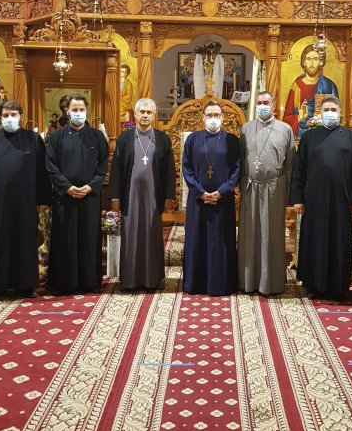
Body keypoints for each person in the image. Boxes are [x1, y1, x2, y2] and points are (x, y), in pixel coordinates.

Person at [0, 100, 51, 300]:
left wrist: (43, 199)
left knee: (24, 241)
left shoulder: (33, 139)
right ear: (0, 117)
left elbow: (42, 172)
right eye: (5, 115)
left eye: (13, 115)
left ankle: (26, 286)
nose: (9, 119)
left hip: (25, 201)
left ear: (21, 117)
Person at [291, 96, 352, 299]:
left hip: (342, 199)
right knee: (315, 239)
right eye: (326, 110)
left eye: (333, 110)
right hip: (315, 199)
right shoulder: (309, 137)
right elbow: (299, 169)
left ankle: (339, 286)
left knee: (340, 240)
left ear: (340, 113)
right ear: (320, 113)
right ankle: (314, 284)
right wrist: (297, 198)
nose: (330, 113)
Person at [109, 98, 176, 290]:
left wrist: (169, 196)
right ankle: (130, 280)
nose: (145, 115)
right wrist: (115, 197)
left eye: (149, 112)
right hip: (130, 195)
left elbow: (170, 171)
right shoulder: (124, 139)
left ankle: (152, 279)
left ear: (154, 115)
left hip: (153, 195)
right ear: (136, 114)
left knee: (152, 234)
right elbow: (116, 170)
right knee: (130, 234)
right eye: (142, 112)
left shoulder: (163, 139)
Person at [46, 94, 109, 294]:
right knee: (64, 239)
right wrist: (66, 187)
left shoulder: (97, 137)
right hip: (64, 197)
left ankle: (90, 282)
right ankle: (64, 283)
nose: (78, 113)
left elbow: (103, 166)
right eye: (75, 110)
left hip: (89, 197)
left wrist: (91, 186)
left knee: (89, 238)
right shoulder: (56, 137)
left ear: (86, 111)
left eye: (82, 110)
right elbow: (51, 166)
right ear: (67, 111)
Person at [238, 91, 295, 295]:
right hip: (251, 187)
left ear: (273, 104)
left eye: (266, 102)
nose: (262, 106)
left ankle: (271, 282)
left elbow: (290, 164)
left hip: (274, 188)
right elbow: (241, 160)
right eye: (259, 102)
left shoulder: (285, 129)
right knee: (250, 234)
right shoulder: (246, 129)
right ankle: (248, 281)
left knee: (272, 235)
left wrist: (289, 193)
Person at [182, 100, 241, 295]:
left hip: (223, 201)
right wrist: (200, 192)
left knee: (220, 242)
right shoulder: (193, 139)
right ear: (203, 117)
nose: (213, 119)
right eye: (210, 115)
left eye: (217, 115)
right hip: (198, 200)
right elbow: (186, 167)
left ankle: (220, 284)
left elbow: (236, 169)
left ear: (223, 118)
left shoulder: (231, 140)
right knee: (197, 240)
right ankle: (196, 283)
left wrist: (222, 191)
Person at [283, 44, 339, 137]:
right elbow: (286, 118)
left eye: (315, 59)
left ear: (321, 62)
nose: (312, 63)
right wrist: (299, 117)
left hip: (325, 134)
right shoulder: (297, 86)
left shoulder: (329, 85)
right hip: (301, 134)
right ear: (304, 62)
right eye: (309, 59)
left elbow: (337, 114)